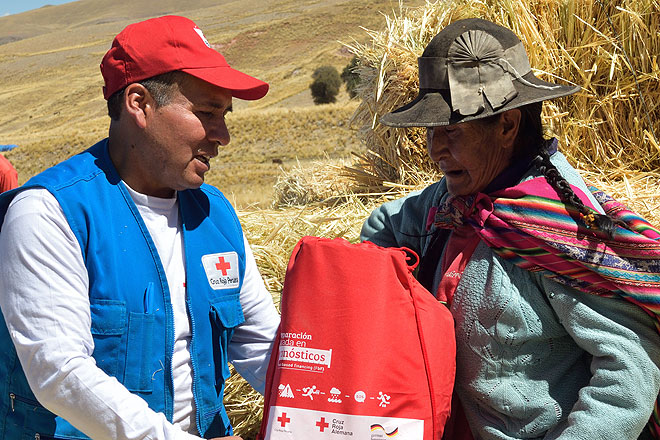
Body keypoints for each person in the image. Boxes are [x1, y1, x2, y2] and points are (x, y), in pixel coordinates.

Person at [361, 18, 660, 439]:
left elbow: (630, 366)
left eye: (450, 132)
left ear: (507, 126)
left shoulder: (562, 229)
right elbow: (383, 224)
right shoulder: (453, 200)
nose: (434, 150)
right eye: (430, 132)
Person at [0, 15, 280, 440]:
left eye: (225, 115)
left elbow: (262, 346)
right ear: (138, 103)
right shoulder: (49, 214)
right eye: (207, 112)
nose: (222, 135)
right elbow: (60, 373)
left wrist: (337, 410)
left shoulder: (215, 214)